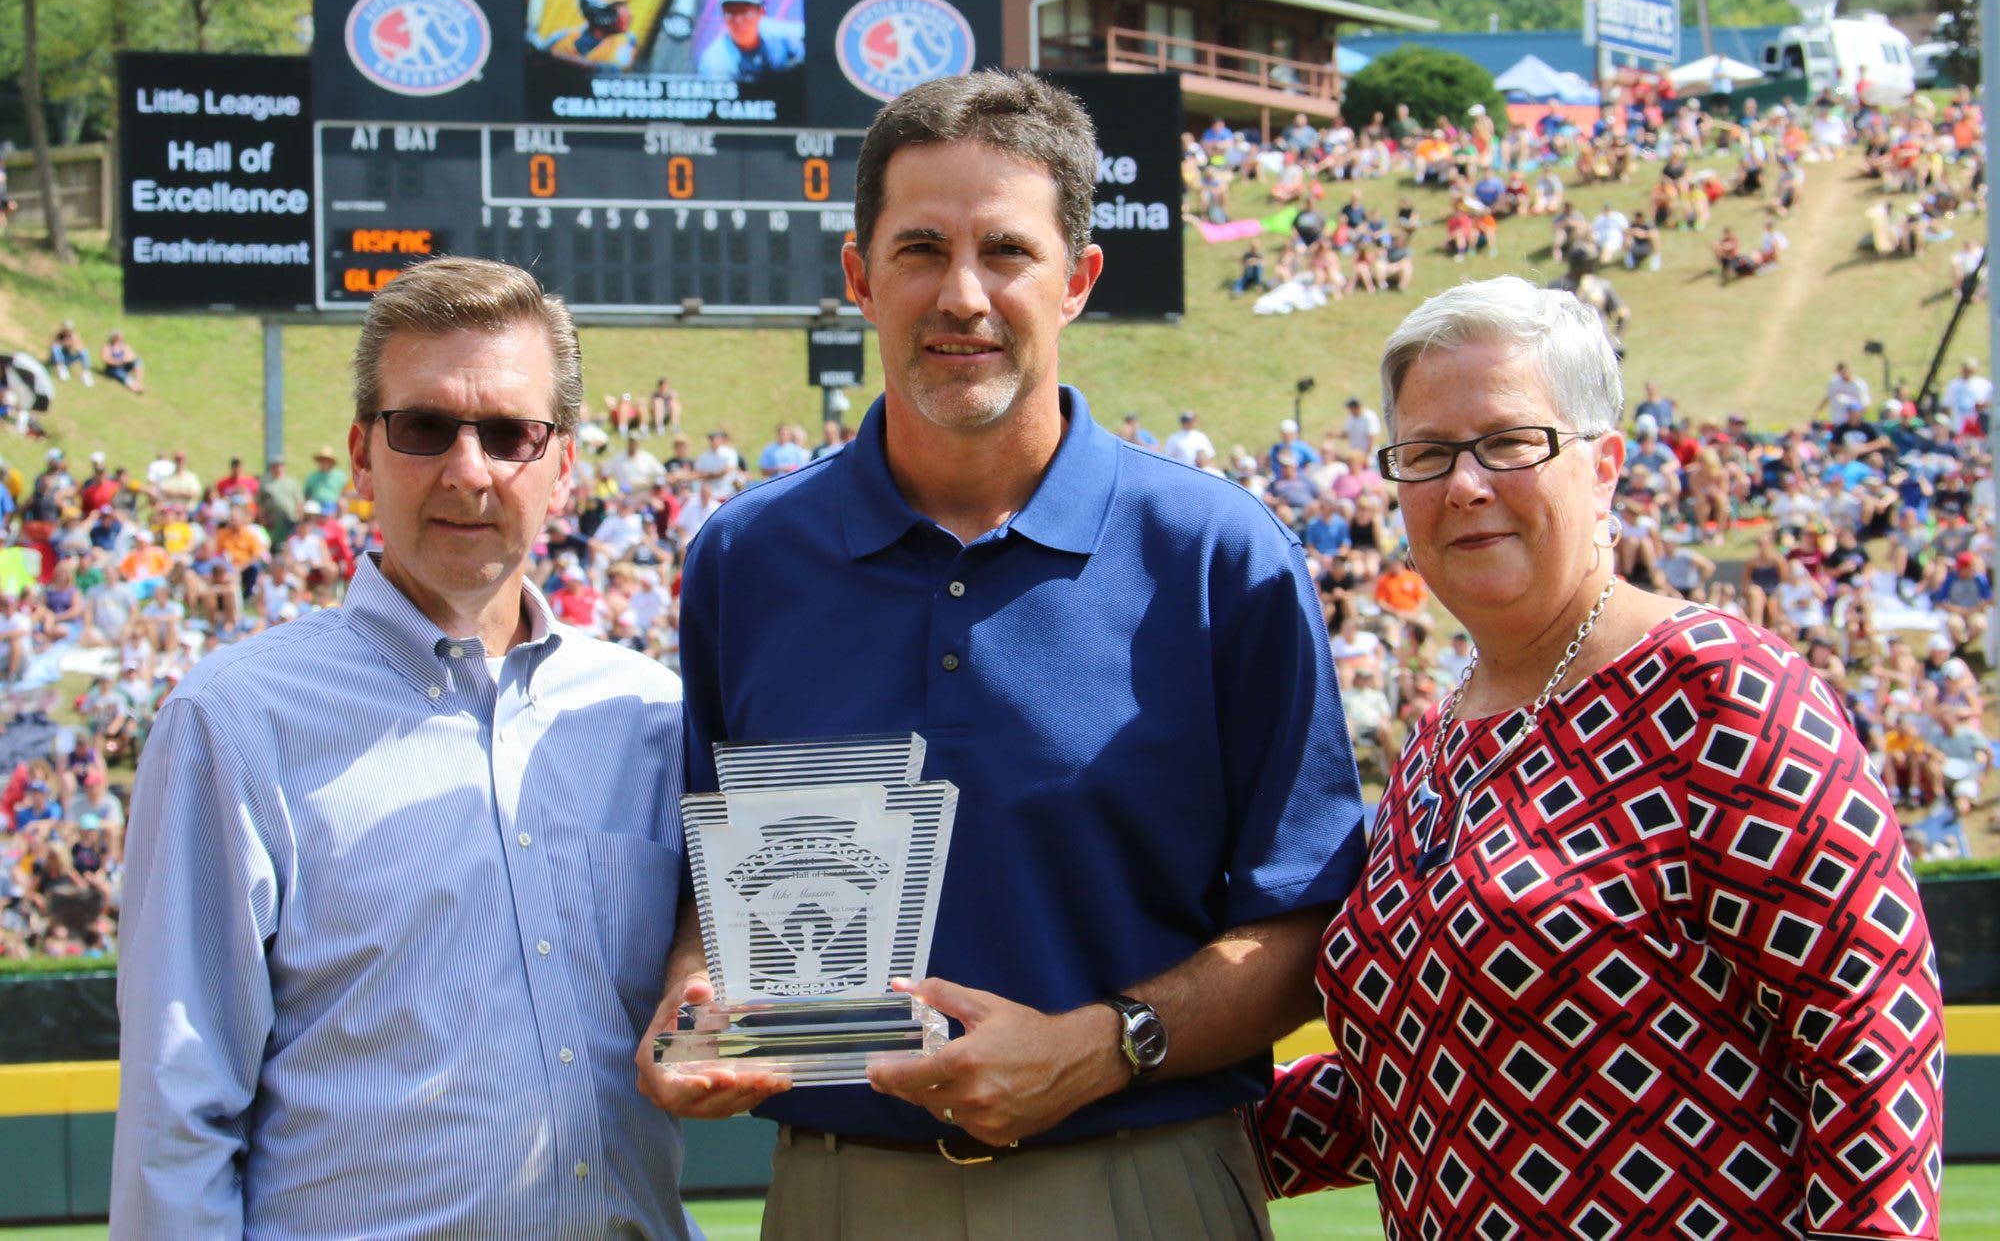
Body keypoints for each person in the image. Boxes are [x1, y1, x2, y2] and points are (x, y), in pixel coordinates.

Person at [639, 70, 1364, 1239]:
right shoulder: (747, 556)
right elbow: (709, 880)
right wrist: (695, 992)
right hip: (835, 1185)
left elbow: (1304, 928)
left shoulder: (1219, 552)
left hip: (1136, 1176)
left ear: (1076, 279)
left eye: (1006, 252)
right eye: (919, 248)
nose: (960, 295)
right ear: (857, 275)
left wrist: (1100, 1046)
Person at [1245, 276, 1943, 1238]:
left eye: (1509, 442)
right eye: (1428, 453)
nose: (1464, 484)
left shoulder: (1722, 691)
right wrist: (1127, 1113)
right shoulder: (1436, 744)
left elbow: (1875, 1048)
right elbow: (1425, 1077)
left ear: (1605, 465)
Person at [111, 258, 696, 1237]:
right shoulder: (237, 719)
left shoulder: (647, 715)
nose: (469, 468)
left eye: (510, 432)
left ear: (563, 465)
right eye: (426, 427)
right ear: (360, 451)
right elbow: (180, 1107)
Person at [697, 0, 804, 82]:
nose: (738, 20)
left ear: (761, 12)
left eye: (745, 11)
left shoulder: (779, 35)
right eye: (731, 12)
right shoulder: (715, 62)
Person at [538, 0, 639, 69]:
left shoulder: (627, 41)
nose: (628, 13)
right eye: (619, 5)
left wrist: (552, 56)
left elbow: (611, 70)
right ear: (599, 10)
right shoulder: (560, 40)